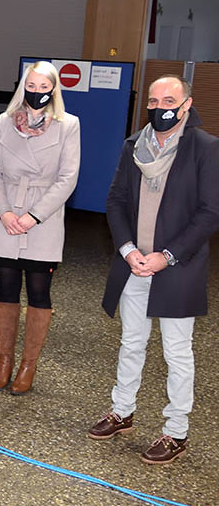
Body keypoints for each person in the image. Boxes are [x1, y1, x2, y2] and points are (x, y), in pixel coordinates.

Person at [89, 75, 219, 465]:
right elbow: (115, 201)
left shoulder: (205, 148)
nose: (160, 107)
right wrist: (128, 250)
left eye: (169, 100)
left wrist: (167, 255)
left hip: (177, 267)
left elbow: (210, 212)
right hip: (134, 264)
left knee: (177, 353)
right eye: (153, 100)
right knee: (131, 343)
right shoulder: (135, 145)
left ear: (186, 104)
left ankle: (175, 431)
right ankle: (122, 410)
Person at [0, 60, 80, 396]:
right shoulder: (5, 122)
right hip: (4, 215)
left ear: (54, 89)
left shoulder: (68, 125)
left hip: (43, 218)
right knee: (6, 289)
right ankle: (5, 360)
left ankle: (28, 365)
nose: (37, 93)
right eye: (32, 87)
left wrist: (33, 216)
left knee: (39, 291)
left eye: (43, 87)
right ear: (23, 87)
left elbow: (68, 178)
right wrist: (5, 212)